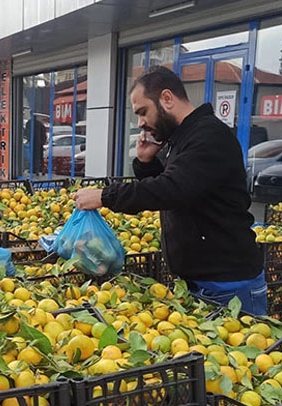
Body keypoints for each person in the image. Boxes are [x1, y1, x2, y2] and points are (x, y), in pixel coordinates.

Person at [73, 67, 266, 315]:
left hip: (228, 286)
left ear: (166, 98)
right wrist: (146, 163)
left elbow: (171, 189)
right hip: (198, 284)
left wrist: (105, 196)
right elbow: (179, 191)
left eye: (143, 112)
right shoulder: (182, 138)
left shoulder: (208, 136)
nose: (141, 123)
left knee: (241, 354)